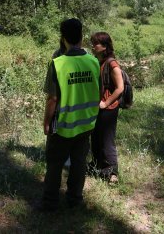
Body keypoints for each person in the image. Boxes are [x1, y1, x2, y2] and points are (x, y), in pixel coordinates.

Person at [41, 18, 100, 211]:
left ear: (63, 37)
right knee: (79, 163)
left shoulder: (58, 63)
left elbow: (52, 99)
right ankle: (75, 199)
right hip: (86, 124)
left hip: (64, 125)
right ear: (82, 36)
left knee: (55, 164)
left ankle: (50, 203)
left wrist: (47, 122)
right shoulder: (93, 61)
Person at [89, 32, 124, 184]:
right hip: (98, 106)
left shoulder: (112, 64)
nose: (92, 45)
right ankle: (97, 166)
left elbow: (120, 88)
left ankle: (112, 173)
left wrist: (106, 102)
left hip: (108, 108)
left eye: (95, 43)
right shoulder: (98, 61)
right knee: (95, 137)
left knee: (107, 139)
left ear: (104, 46)